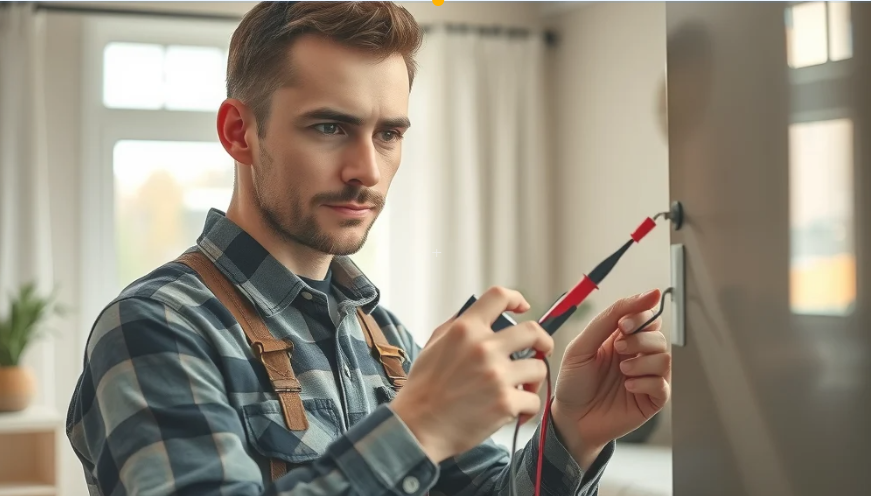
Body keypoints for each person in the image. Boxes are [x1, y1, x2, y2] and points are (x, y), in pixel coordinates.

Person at [66, 2, 672, 495]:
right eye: (330, 127)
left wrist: (571, 432)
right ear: (238, 132)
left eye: (388, 134)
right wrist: (420, 425)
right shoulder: (156, 327)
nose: (367, 169)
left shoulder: (380, 334)